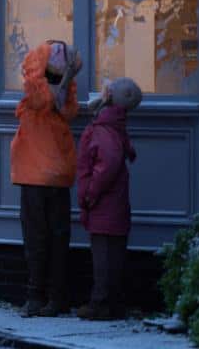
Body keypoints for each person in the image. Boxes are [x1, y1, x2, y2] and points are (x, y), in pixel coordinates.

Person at [10, 40, 81, 317]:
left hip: (35, 175)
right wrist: (65, 78)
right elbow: (68, 109)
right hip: (58, 175)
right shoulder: (59, 100)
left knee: (37, 239)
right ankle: (56, 297)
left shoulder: (35, 102)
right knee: (57, 238)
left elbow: (41, 97)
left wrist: (53, 78)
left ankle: (36, 296)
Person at [76, 77, 141, 321]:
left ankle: (101, 304)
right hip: (114, 205)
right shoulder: (116, 129)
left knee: (103, 257)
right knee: (112, 256)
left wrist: (90, 195)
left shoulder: (104, 131)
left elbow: (105, 167)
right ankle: (112, 303)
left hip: (103, 206)